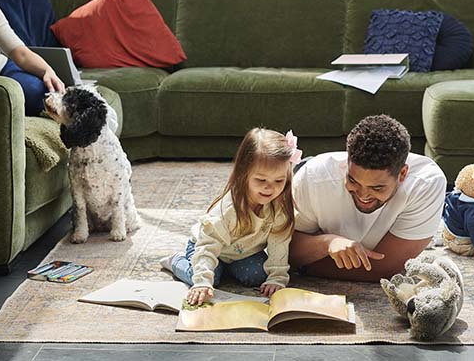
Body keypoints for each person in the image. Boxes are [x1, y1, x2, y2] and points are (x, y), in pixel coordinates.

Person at [289, 114, 446, 281]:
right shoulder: (314, 176)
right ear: (347, 161)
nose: (363, 195)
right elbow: (285, 251)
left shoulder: (426, 184)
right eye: (352, 180)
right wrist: (327, 243)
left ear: (402, 174)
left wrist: (307, 265)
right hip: (305, 170)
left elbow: (386, 269)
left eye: (377, 187)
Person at [161, 128, 303, 306]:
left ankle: (226, 269)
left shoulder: (279, 207)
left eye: (278, 181)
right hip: (210, 246)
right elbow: (208, 245)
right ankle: (176, 261)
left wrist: (277, 278)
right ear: (244, 173)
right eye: (261, 180)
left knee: (258, 276)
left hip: (243, 252)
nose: (269, 188)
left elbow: (279, 243)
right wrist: (203, 281)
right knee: (207, 279)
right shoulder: (227, 210)